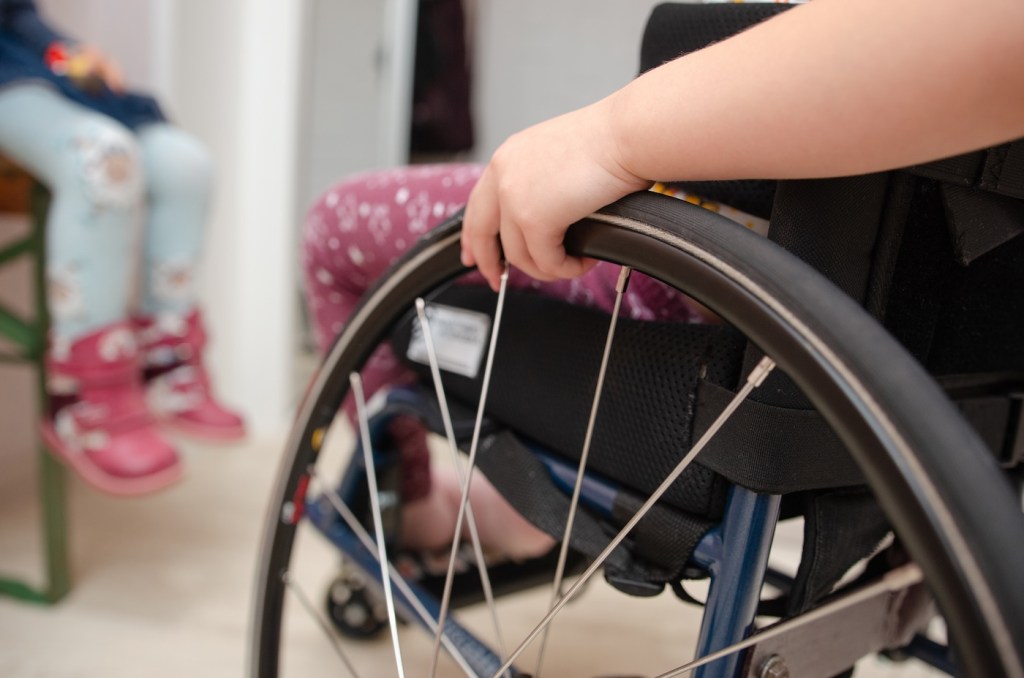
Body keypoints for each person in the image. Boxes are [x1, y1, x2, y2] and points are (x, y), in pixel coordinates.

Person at [303, 0, 1024, 556]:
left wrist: (610, 136)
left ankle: (421, 505)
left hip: (722, 284)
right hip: (954, 357)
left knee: (335, 228)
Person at [0, 0, 245, 497]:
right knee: (103, 161)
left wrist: (64, 47)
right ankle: (85, 395)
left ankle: (165, 359)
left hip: (26, 52)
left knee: (186, 164)